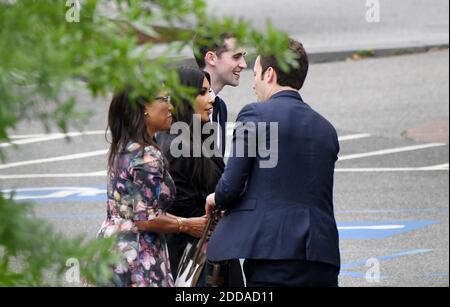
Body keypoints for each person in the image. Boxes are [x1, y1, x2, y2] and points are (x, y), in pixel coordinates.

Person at [205, 38, 341, 287]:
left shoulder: (255, 114)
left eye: (256, 73)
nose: (253, 83)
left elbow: (231, 185)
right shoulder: (326, 130)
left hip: (273, 252)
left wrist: (216, 197)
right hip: (322, 254)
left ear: (269, 74)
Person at [96, 86, 208, 287]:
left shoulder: (124, 145)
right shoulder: (147, 156)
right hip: (138, 255)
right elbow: (146, 219)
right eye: (164, 99)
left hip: (111, 246)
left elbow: (140, 211)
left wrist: (188, 221)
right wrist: (187, 225)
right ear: (144, 107)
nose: (171, 106)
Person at [159, 67, 244, 287]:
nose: (212, 99)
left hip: (212, 249)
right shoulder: (177, 147)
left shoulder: (197, 137)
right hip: (193, 258)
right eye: (203, 92)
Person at [193, 32, 247, 156]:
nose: (244, 64)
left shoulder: (220, 107)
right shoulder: (185, 107)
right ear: (212, 58)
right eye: (236, 56)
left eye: (243, 56)